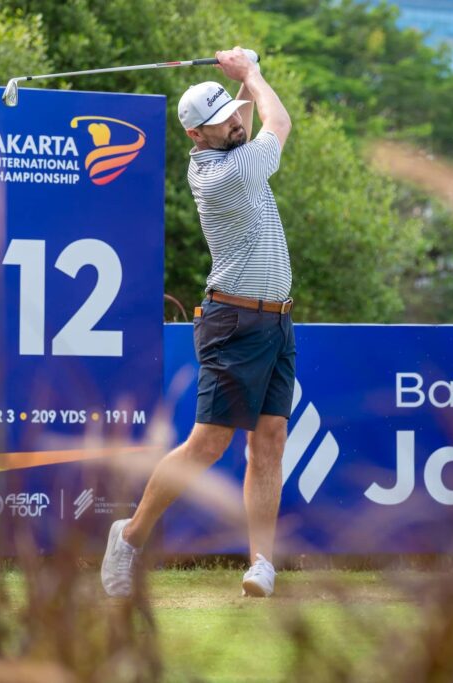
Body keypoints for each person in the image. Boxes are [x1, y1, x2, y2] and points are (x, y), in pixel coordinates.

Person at [101, 47, 294, 598]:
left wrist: (236, 85)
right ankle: (130, 537)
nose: (233, 124)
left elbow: (247, 119)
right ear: (196, 137)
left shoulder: (230, 140)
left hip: (277, 321)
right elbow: (277, 121)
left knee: (270, 441)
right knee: (208, 443)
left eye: (230, 115)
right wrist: (251, 72)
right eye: (218, 124)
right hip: (234, 322)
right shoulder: (220, 177)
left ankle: (261, 562)